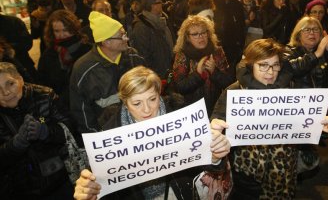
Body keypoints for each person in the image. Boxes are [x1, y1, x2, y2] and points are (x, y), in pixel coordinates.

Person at [211, 38, 328, 199]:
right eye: (263, 65)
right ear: (252, 65)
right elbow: (216, 121)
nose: (270, 72)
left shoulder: (291, 88)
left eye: (275, 65)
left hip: (284, 170)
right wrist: (216, 130)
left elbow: (302, 125)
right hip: (247, 172)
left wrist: (321, 129)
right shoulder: (235, 91)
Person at [73, 66, 231, 200]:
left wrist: (215, 157)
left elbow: (200, 165)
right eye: (137, 103)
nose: (147, 110)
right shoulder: (109, 134)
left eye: (152, 99)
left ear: (159, 94)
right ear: (125, 103)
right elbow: (103, 182)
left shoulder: (181, 119)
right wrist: (90, 190)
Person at [0, 62, 74, 199]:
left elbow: (71, 130)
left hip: (59, 181)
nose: (5, 92)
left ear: (20, 79)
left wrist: (46, 132)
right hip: (18, 189)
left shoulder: (45, 96)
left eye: (10, 84)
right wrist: (15, 145)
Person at [70, 11, 144, 134]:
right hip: (109, 136)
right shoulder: (84, 69)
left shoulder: (133, 56)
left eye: (125, 33)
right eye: (121, 36)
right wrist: (98, 137)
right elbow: (81, 113)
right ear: (106, 42)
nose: (127, 38)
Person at [172, 15, 232, 116]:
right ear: (187, 37)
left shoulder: (217, 51)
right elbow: (180, 87)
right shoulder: (182, 55)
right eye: (195, 34)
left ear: (208, 34)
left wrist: (214, 72)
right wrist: (198, 74)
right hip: (192, 111)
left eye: (203, 32)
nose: (201, 37)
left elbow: (229, 83)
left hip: (216, 108)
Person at [38, 10, 91, 109]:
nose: (62, 35)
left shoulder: (86, 49)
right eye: (57, 31)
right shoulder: (48, 55)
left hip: (88, 102)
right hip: (61, 106)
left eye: (65, 30)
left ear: (73, 28)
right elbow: (43, 83)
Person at [285, 16, 328, 89]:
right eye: (307, 29)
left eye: (316, 29)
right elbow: (288, 70)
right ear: (298, 35)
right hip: (299, 99)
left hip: (324, 98)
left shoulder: (326, 50)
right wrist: (315, 55)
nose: (312, 33)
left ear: (321, 34)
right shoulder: (289, 50)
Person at [129, 0, 174, 78]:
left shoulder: (161, 20)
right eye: (160, 2)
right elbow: (142, 54)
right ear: (153, 6)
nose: (162, 4)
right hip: (155, 74)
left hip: (166, 70)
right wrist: (151, 75)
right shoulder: (141, 26)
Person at [213, 0, 246, 78]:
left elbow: (242, 25)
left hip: (234, 48)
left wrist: (241, 43)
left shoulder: (237, 4)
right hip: (218, 48)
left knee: (232, 76)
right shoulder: (212, 4)